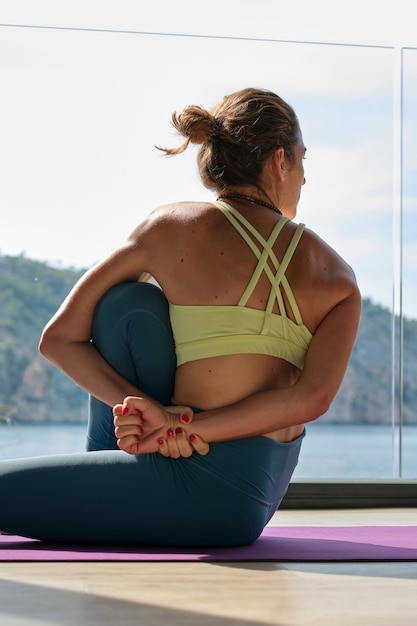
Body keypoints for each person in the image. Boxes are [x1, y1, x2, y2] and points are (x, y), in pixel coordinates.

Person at [0, 87, 361, 546]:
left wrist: (172, 425)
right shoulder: (336, 274)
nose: (304, 178)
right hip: (256, 500)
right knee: (132, 304)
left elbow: (58, 339)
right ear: (279, 161)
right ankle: (123, 456)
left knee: (120, 303)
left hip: (191, 481)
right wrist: (150, 415)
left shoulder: (171, 228)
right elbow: (312, 399)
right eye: (303, 160)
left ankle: (116, 462)